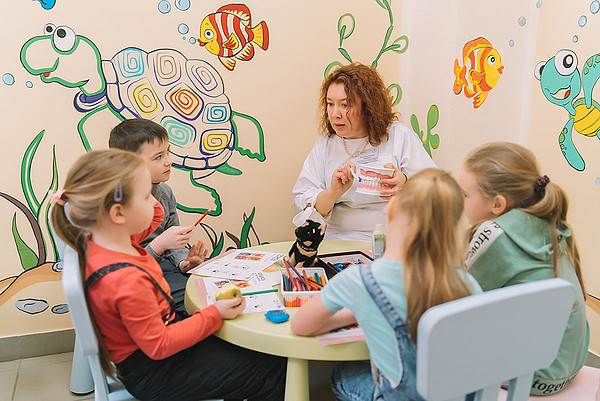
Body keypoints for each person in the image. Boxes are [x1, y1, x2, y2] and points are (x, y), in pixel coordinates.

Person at [51, 149, 286, 401]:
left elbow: (156, 217)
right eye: (146, 196)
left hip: (158, 351)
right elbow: (159, 345)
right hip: (157, 372)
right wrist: (214, 314)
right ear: (118, 213)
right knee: (273, 369)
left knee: (249, 351)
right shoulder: (125, 279)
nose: (155, 203)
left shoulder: (109, 240)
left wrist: (145, 187)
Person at [291, 168, 482, 400]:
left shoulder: (360, 280)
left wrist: (355, 312)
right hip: (455, 395)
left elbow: (301, 325)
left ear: (391, 208)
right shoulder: (468, 283)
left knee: (343, 374)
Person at [459, 142, 588, 396]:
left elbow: (458, 297)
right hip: (569, 365)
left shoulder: (494, 233)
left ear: (497, 204)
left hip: (534, 375)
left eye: (464, 194)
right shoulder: (545, 220)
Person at [292, 63, 436, 241]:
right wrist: (333, 192)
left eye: (345, 105)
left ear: (368, 107)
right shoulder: (325, 145)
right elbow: (302, 202)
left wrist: (404, 182)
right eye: (330, 104)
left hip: (391, 239)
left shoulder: (399, 136)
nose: (335, 114)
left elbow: (435, 187)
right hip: (336, 239)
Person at [109, 118, 205, 314]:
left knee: (207, 291)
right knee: (195, 303)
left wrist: (184, 263)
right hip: (134, 278)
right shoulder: (115, 204)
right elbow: (121, 265)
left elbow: (173, 244)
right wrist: (159, 244)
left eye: (168, 152)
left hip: (166, 270)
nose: (169, 161)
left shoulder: (165, 193)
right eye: (158, 157)